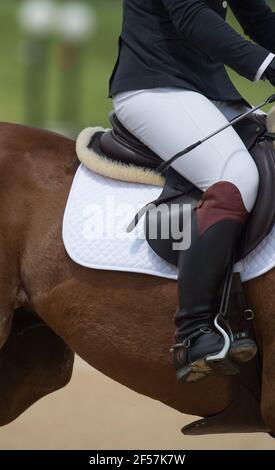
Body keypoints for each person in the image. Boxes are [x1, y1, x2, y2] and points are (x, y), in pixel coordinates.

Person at [108, 0, 275, 383]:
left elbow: (257, 17)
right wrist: (267, 64)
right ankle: (195, 332)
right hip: (156, 85)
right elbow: (189, 15)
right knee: (234, 177)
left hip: (208, 90)